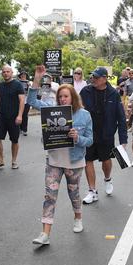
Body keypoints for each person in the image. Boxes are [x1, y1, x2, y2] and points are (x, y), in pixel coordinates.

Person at [27, 84, 93, 246]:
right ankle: (45, 233)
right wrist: (36, 80)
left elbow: (90, 141)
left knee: (74, 194)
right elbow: (31, 100)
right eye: (60, 97)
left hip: (75, 162)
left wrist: (78, 138)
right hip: (54, 160)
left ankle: (78, 218)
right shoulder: (51, 110)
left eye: (66, 96)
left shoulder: (84, 115)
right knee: (50, 196)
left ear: (73, 98)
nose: (62, 99)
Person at [80, 67, 128, 204]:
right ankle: (92, 191)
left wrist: (123, 141)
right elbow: (77, 108)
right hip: (88, 133)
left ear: (104, 78)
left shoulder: (114, 93)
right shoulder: (85, 91)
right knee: (87, 160)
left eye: (96, 77)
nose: (93, 79)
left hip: (106, 134)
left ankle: (107, 179)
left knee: (106, 160)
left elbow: (120, 117)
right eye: (92, 77)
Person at [0, 65, 25, 170]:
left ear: (11, 72)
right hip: (1, 116)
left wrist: (19, 115)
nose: (5, 73)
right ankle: (0, 160)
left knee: (14, 140)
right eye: (4, 72)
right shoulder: (0, 86)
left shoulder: (18, 85)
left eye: (7, 72)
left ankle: (14, 161)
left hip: (14, 117)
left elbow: (22, 101)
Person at [17, 71, 31, 136]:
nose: (23, 76)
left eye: (24, 75)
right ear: (20, 76)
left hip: (26, 101)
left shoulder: (29, 82)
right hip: (19, 101)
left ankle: (24, 130)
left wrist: (29, 86)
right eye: (22, 75)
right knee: (19, 114)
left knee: (25, 115)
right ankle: (19, 129)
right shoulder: (17, 82)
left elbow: (32, 91)